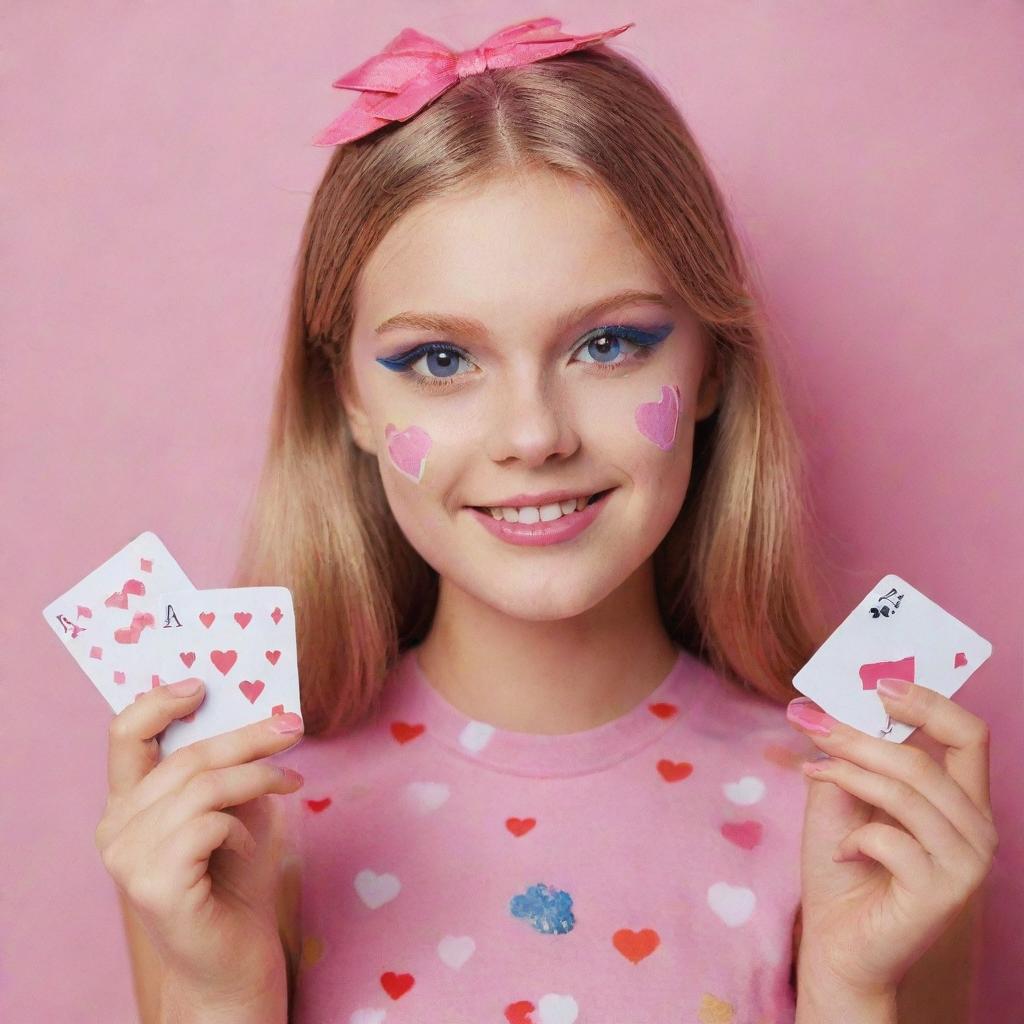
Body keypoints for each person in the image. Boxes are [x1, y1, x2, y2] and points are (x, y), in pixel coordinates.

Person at [94, 16, 998, 1024]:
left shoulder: (858, 825)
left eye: (608, 343)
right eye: (439, 359)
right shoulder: (236, 822)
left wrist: (854, 994)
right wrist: (223, 994)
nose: (532, 435)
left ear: (709, 364)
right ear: (347, 397)